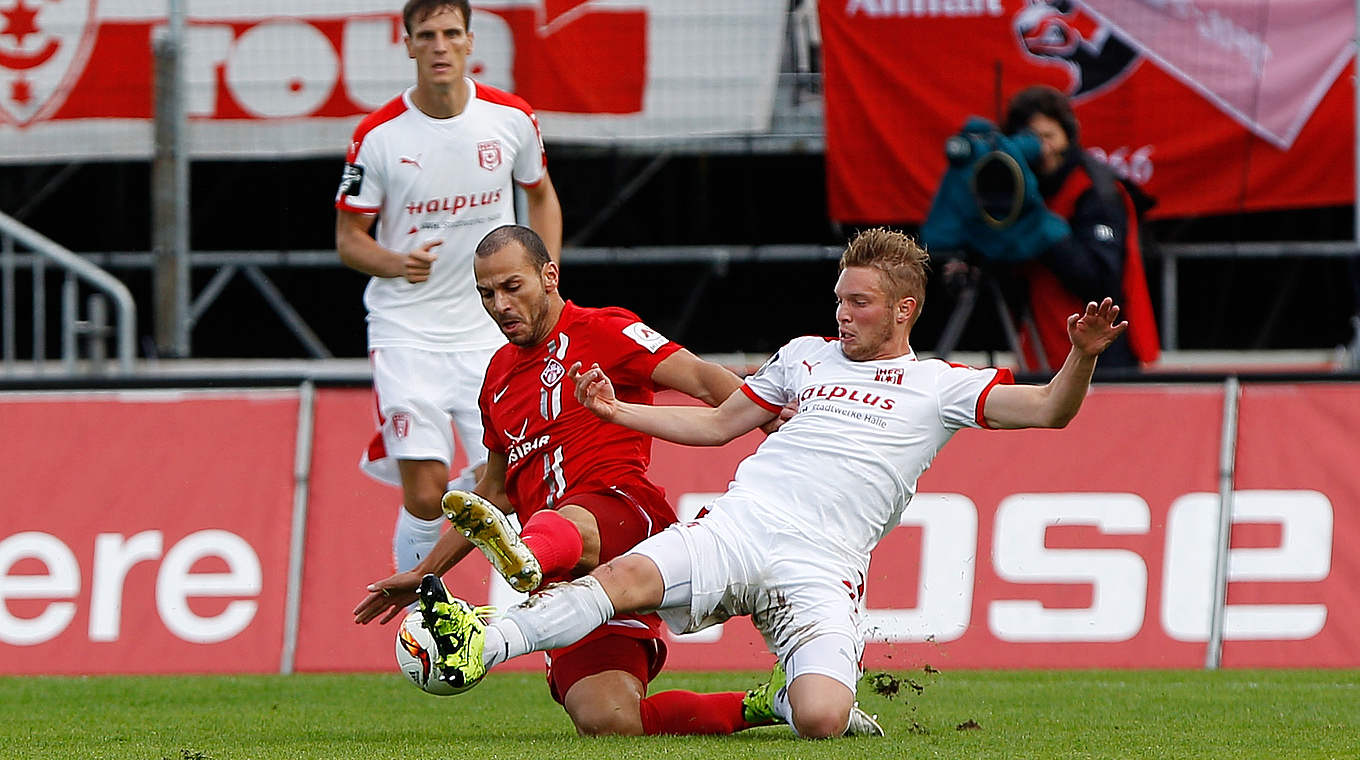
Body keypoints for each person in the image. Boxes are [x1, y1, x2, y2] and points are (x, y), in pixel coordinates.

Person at [412, 227, 1129, 739]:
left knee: (821, 718)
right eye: (841, 299)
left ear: (905, 310)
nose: (843, 315)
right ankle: (485, 640)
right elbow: (718, 423)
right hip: (741, 526)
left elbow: (1047, 410)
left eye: (862, 304)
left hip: (823, 565)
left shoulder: (939, 385)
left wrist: (1082, 358)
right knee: (624, 581)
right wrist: (616, 409)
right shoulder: (803, 359)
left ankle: (783, 699)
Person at [353, 225, 838, 737]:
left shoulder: (605, 329)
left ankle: (521, 570)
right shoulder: (496, 377)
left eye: (512, 287)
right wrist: (426, 570)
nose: (499, 304)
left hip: (624, 516)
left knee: (565, 520)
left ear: (549, 275)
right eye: (486, 294)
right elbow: (493, 495)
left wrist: (763, 415)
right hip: (567, 572)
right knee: (609, 721)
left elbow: (699, 378)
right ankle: (773, 703)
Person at [334, 0, 562, 573]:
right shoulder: (377, 136)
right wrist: (394, 261)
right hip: (407, 331)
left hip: (490, 331)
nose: (440, 45)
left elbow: (541, 194)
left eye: (451, 33)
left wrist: (545, 275)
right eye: (427, 35)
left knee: (510, 483)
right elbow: (348, 240)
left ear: (469, 42)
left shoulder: (510, 118)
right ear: (407, 44)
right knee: (426, 492)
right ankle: (424, 611)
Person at [997, 84, 1158, 371]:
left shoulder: (1096, 190)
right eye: (1030, 139)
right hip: (1042, 352)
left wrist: (1045, 229)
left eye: (1048, 137)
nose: (1041, 149)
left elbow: (1100, 279)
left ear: (1067, 137)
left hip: (1103, 356)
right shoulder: (1017, 190)